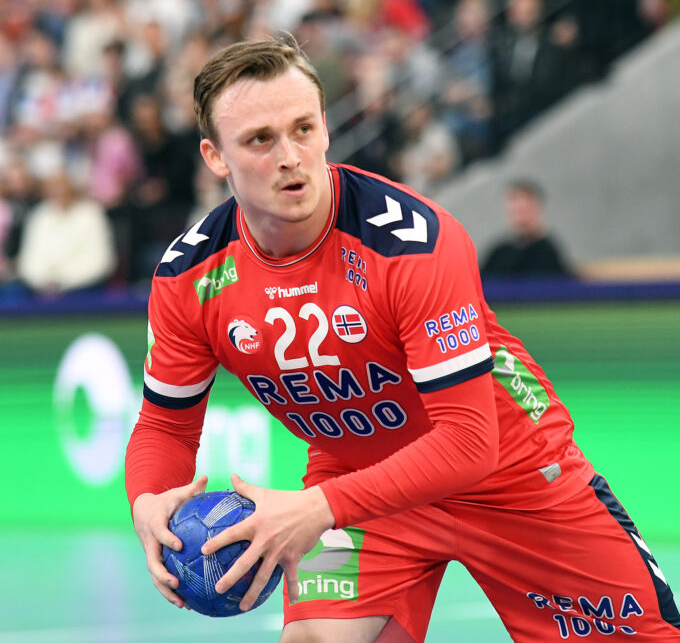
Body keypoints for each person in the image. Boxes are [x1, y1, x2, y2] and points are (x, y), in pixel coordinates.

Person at [125, 35, 680, 643]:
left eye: (303, 129)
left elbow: (468, 443)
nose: (290, 156)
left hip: (512, 472)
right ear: (215, 156)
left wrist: (316, 509)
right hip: (359, 481)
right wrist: (148, 501)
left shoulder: (411, 243)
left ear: (326, 127)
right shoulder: (189, 276)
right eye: (260, 139)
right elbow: (165, 427)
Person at [481, 179, 572, 278]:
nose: (519, 216)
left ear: (537, 209)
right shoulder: (500, 253)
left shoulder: (547, 254)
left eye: (524, 210)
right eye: (515, 211)